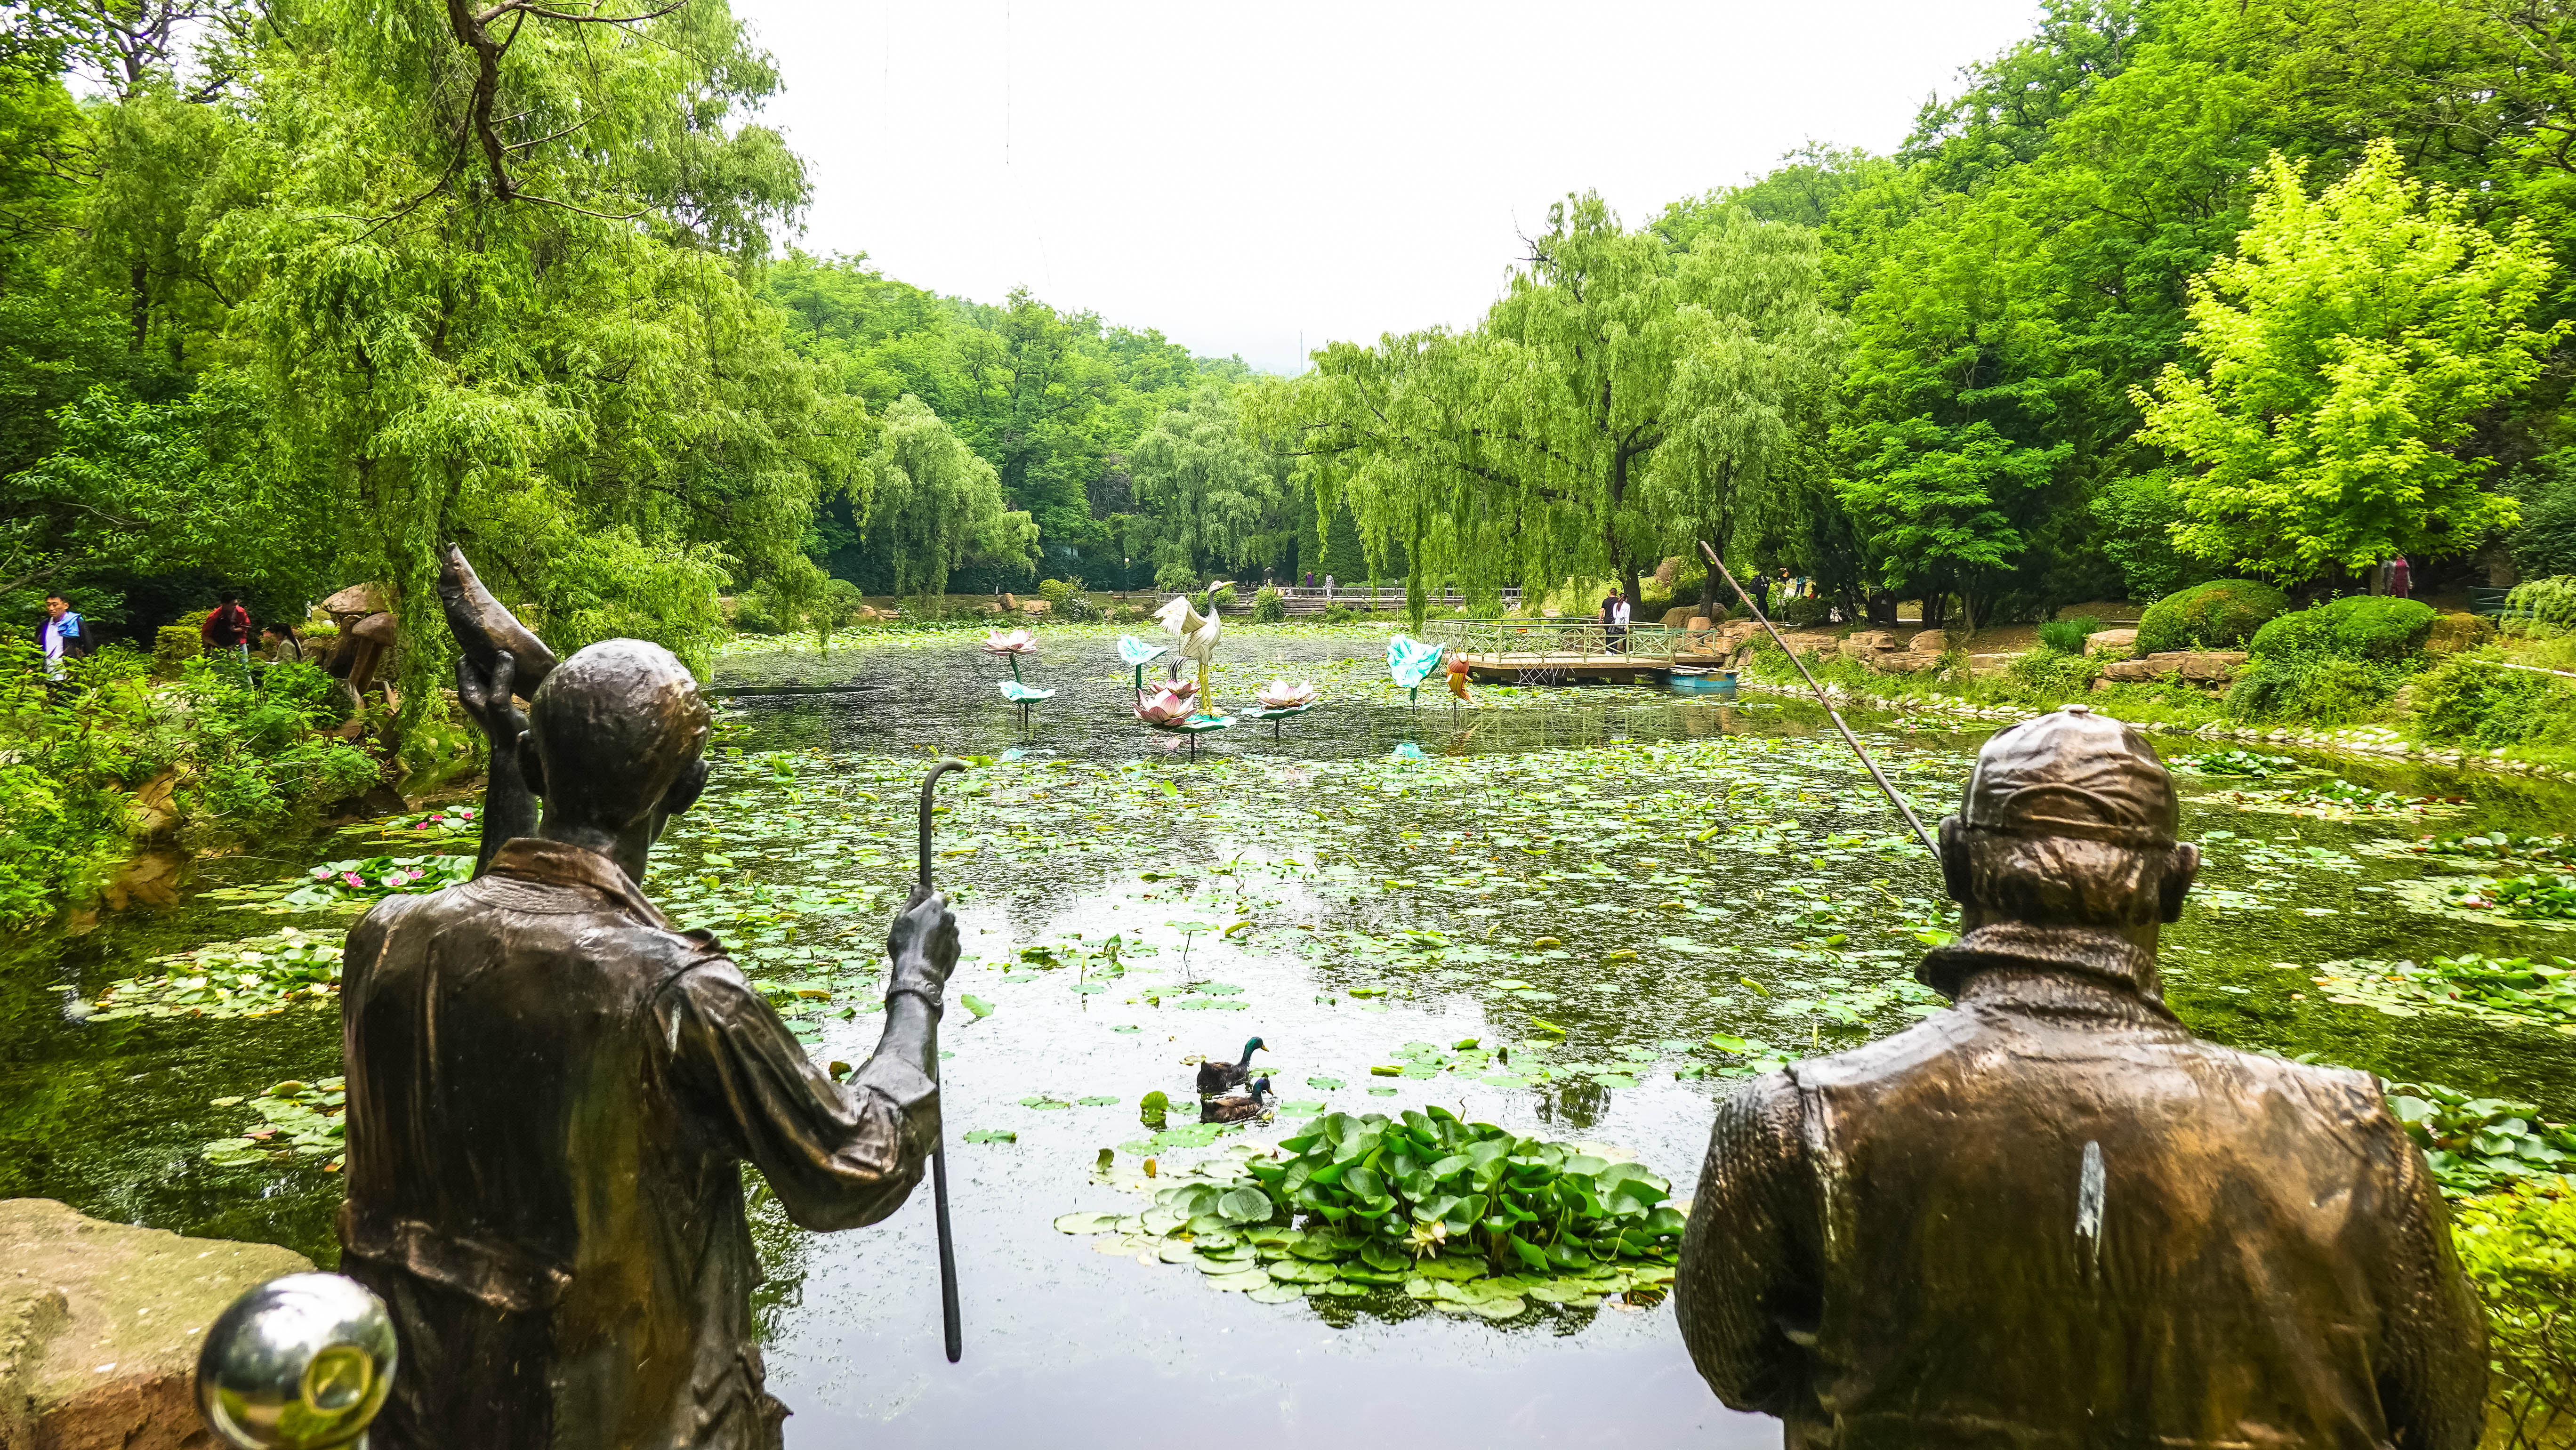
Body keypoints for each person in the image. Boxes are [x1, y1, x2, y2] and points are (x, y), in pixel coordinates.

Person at [1675, 705, 2483, 1448]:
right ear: (2178, 882)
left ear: (1954, 861)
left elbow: (1741, 1371)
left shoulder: (1791, 1122)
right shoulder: (2352, 1137)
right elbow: (2444, 1421)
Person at [336, 556, 953, 1450]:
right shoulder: (682, 997)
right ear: (689, 790)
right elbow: (857, 1164)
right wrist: (916, 982)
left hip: (418, 1420)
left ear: (536, 765)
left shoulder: (385, 938)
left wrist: (508, 763)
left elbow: (495, 931)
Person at [37, 592, 92, 679]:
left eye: (55, 605)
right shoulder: (44, 625)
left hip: (72, 674)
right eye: (49, 605)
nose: (51, 608)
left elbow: (89, 646)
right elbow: (37, 647)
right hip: (48, 675)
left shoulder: (77, 623)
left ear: (66, 606)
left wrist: (90, 669)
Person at [201, 590, 253, 672]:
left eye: (237, 604)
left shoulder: (240, 612)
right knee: (220, 671)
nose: (236, 607)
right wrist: (222, 647)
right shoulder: (214, 616)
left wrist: (235, 630)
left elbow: (247, 627)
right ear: (224, 605)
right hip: (219, 646)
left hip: (239, 643)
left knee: (245, 669)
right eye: (233, 605)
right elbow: (205, 636)